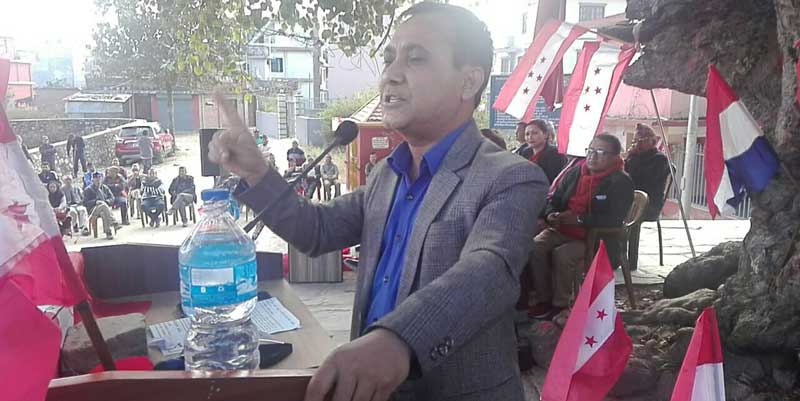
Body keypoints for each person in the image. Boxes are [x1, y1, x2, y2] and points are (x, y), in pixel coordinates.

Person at [208, 3, 547, 400]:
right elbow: (316, 230)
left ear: (468, 81)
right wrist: (257, 173)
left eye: (415, 58)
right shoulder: (388, 173)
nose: (391, 74)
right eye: (388, 58)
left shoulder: (510, 177)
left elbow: (489, 270)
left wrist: (397, 340)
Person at [527, 134, 634, 320]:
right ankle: (544, 299)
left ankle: (560, 305)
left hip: (596, 238)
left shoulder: (620, 181)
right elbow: (554, 199)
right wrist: (551, 214)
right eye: (590, 150)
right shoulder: (576, 172)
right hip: (563, 228)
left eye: (600, 152)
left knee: (562, 255)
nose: (592, 156)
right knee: (535, 247)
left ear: (614, 157)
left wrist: (579, 220)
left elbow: (614, 219)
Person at [624, 123, 671, 270]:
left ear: (652, 141)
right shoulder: (634, 158)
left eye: (641, 140)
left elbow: (642, 181)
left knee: (629, 213)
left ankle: (631, 261)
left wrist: (633, 159)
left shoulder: (660, 160)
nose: (637, 144)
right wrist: (629, 158)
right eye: (635, 140)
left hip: (649, 204)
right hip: (630, 199)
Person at [83, 172, 120, 239]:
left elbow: (112, 198)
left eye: (99, 179)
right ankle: (114, 222)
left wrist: (107, 201)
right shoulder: (88, 189)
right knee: (103, 205)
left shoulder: (105, 188)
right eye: (96, 179)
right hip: (93, 209)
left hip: (104, 208)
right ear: (93, 180)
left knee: (103, 212)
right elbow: (85, 203)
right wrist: (95, 201)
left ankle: (108, 232)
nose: (98, 181)